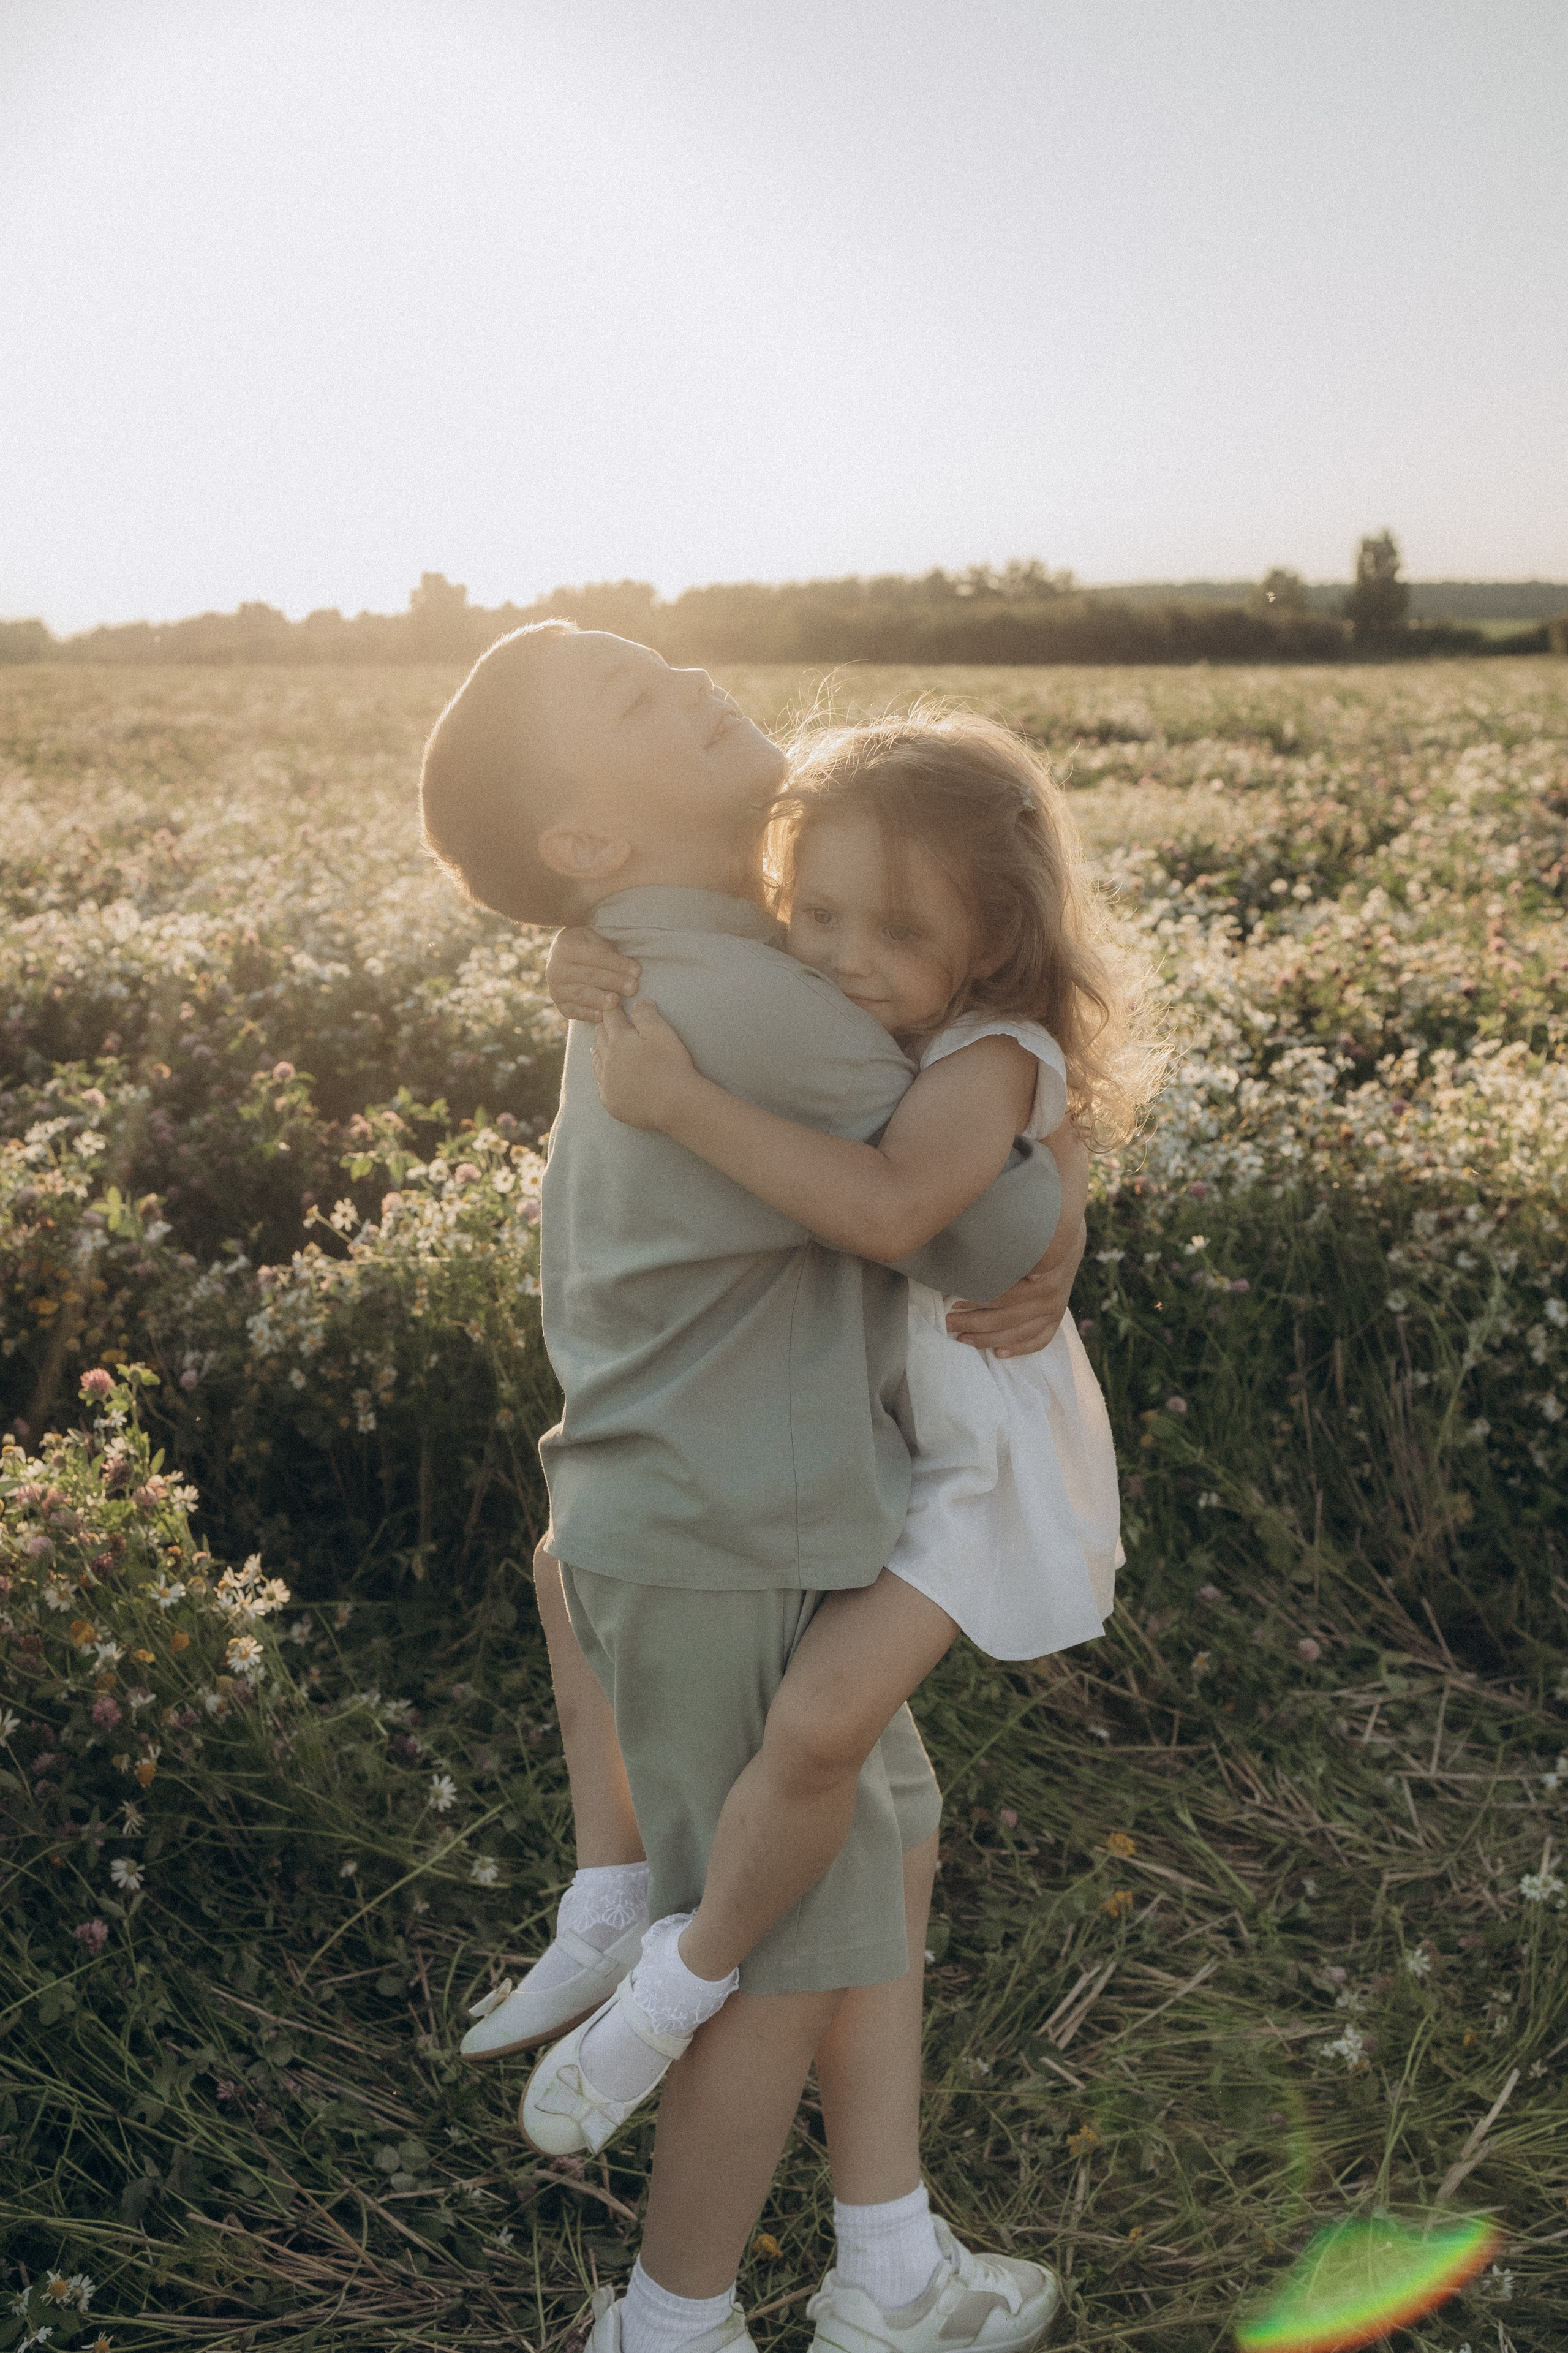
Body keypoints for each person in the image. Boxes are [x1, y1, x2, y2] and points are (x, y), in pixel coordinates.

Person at [421, 622, 1074, 2353]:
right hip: (739, 1539)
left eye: (664, 658)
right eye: (638, 703)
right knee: (769, 1971)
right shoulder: (744, 1001)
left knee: (880, 1867)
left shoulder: (668, 957)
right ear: (583, 840)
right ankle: (671, 2325)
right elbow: (990, 1217)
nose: (695, 685)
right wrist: (1051, 1186)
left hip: (744, 1521)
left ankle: (890, 2266)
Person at [513, 705, 1145, 2156]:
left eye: (898, 930)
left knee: (810, 1733)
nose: (846, 960)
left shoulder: (986, 1053)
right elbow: (728, 931)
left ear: (988, 943)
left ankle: (668, 1991)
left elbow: (884, 1213)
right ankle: (631, 1917)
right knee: (799, 1738)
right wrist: (581, 941)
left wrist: (675, 1101)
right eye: (816, 913)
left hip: (974, 1464)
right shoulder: (885, 1020)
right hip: (903, 1432)